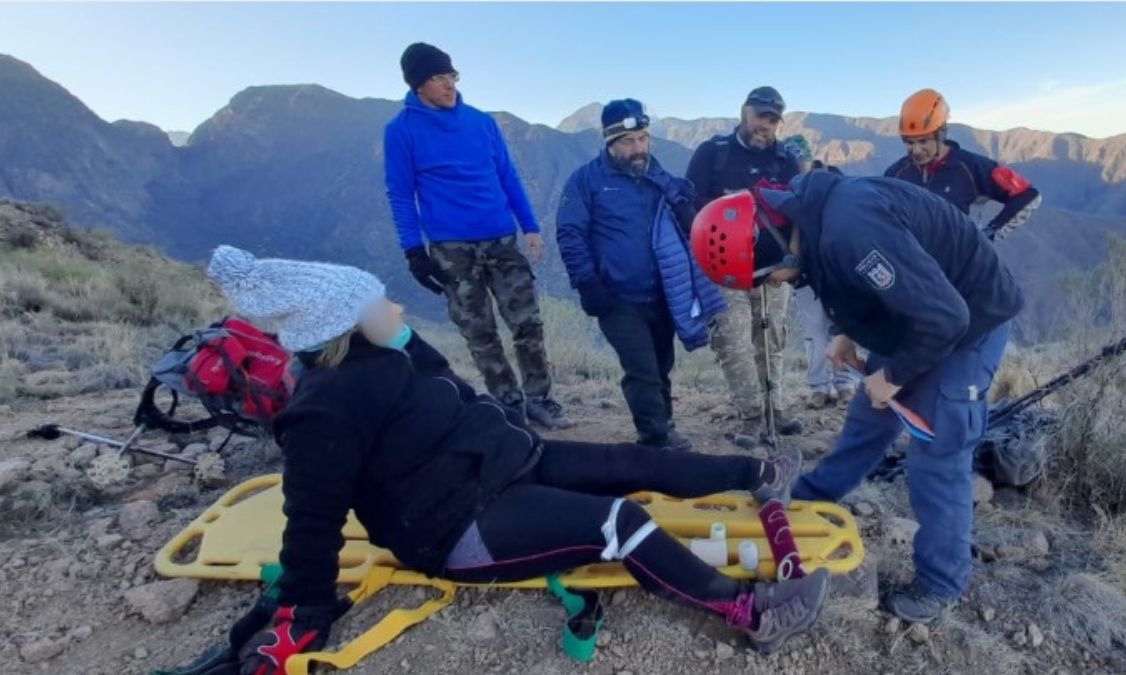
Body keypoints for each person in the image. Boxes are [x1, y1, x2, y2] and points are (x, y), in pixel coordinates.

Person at [201, 246, 830, 672]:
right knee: (617, 521)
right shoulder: (325, 407)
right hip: (456, 527)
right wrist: (304, 609)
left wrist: (404, 338)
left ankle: (761, 476)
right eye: (378, 306)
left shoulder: (389, 354)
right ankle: (752, 613)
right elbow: (311, 517)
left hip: (503, 463)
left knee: (628, 461)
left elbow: (451, 386)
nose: (394, 310)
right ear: (342, 327)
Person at [690, 170, 1023, 624]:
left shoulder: (854, 230)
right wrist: (846, 332)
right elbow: (846, 280)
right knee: (869, 417)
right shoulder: (809, 220)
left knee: (937, 450)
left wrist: (896, 374)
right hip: (919, 315)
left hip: (971, 320)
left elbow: (947, 318)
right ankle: (812, 499)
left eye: (769, 277)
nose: (776, 284)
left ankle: (940, 584)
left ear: (769, 243)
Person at [384, 42, 570, 429]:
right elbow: (401, 195)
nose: (448, 84)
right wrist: (413, 251)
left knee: (527, 323)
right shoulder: (401, 132)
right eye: (437, 78)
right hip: (452, 249)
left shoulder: (480, 122)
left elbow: (508, 176)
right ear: (419, 84)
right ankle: (507, 404)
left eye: (451, 75)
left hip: (502, 239)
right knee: (479, 330)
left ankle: (540, 398)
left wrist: (530, 227)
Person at [556, 99, 726, 451]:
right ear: (610, 141)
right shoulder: (586, 181)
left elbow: (687, 228)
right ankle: (655, 440)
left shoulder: (660, 179)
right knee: (642, 369)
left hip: (662, 294)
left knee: (662, 364)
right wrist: (586, 283)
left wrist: (685, 208)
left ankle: (665, 423)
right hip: (615, 296)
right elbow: (570, 233)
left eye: (644, 139)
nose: (639, 148)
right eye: (630, 141)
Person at [685, 87, 803, 449]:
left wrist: (793, 263)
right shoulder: (713, 154)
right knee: (734, 343)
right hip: (726, 272)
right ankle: (751, 417)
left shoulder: (786, 160)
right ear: (744, 112)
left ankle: (776, 410)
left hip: (774, 269)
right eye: (759, 116)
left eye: (772, 119)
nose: (764, 125)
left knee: (772, 340)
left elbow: (801, 213)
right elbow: (689, 206)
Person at [885, 88, 1042, 241]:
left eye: (923, 141)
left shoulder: (971, 167)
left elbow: (1028, 195)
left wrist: (991, 233)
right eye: (909, 142)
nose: (916, 150)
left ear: (941, 134)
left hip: (962, 264)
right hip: (912, 263)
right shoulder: (895, 174)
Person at [779, 135, 856, 409]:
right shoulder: (787, 190)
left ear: (810, 159)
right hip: (806, 273)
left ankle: (846, 383)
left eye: (801, 161)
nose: (798, 167)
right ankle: (819, 387)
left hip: (836, 270)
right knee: (814, 332)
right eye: (793, 163)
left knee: (843, 328)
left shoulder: (834, 182)